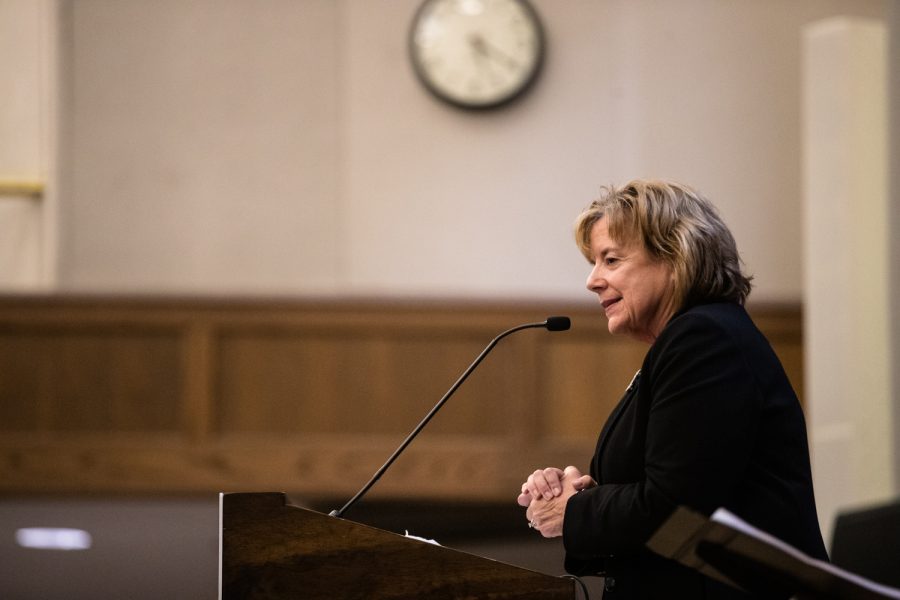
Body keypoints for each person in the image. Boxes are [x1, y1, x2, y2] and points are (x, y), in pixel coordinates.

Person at [518, 180, 827, 598]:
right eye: (594, 263)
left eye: (611, 260)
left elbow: (673, 507)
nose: (592, 280)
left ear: (675, 257)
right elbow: (680, 487)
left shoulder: (705, 341)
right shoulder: (693, 339)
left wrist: (574, 512)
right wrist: (582, 493)